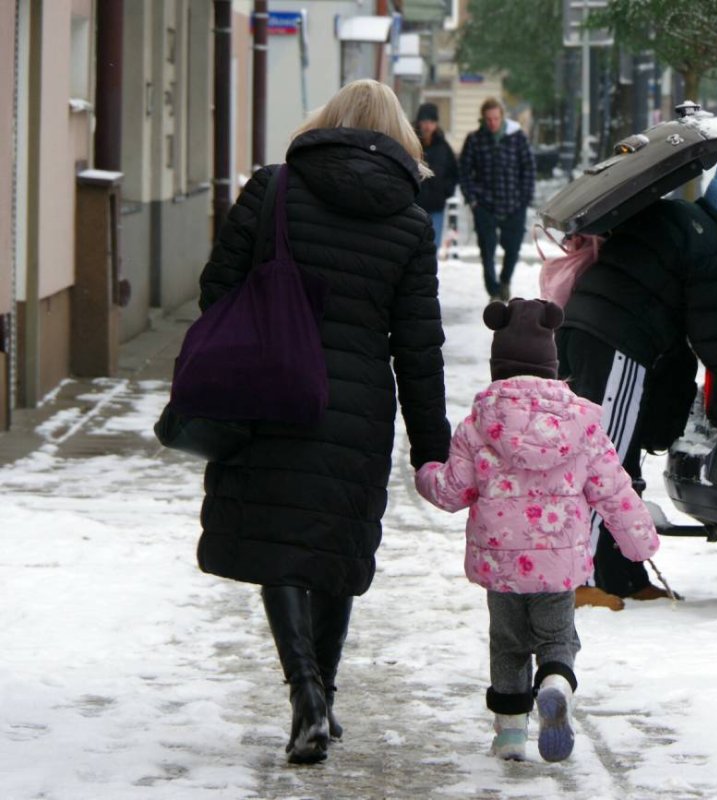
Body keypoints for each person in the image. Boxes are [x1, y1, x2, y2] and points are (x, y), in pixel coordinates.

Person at [194, 79, 452, 765]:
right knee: (334, 549)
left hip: (272, 388)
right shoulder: (407, 220)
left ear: (326, 122)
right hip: (357, 405)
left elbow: (217, 287)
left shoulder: (274, 188)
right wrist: (431, 448)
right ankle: (325, 695)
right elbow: (418, 346)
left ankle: (304, 692)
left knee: (277, 540)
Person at [415, 298, 659, 762]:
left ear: (497, 367)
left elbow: (451, 491)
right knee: (557, 638)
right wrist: (639, 541)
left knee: (508, 645)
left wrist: (426, 472)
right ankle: (555, 684)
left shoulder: (478, 425)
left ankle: (510, 735)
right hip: (558, 565)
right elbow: (614, 489)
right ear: (552, 365)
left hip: (501, 565)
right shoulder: (581, 424)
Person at [557, 159, 717, 610]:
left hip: (583, 330)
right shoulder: (713, 248)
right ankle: (581, 580)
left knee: (619, 464)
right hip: (617, 344)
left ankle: (623, 575)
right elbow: (714, 339)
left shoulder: (676, 215)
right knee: (605, 462)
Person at [458, 97, 536, 303]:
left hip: (514, 203)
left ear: (502, 117)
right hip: (485, 204)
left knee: (513, 247)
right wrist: (472, 199)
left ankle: (505, 281)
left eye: (496, 118)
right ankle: (493, 291)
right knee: (487, 249)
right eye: (488, 119)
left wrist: (525, 198)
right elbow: (464, 171)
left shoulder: (517, 138)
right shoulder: (475, 140)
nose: (493, 123)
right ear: (483, 119)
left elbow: (528, 168)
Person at [414, 102, 459, 250]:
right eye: (425, 121)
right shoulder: (410, 143)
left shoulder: (443, 147)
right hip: (413, 204)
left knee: (433, 247)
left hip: (436, 206)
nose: (428, 126)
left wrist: (446, 191)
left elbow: (454, 172)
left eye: (432, 122)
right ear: (419, 122)